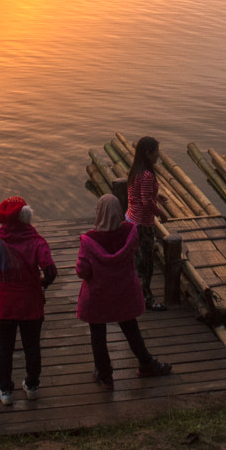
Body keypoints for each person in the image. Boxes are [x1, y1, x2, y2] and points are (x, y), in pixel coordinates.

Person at [76, 194, 172, 387]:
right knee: (130, 328)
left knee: (98, 333)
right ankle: (146, 363)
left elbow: (82, 271)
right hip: (124, 292)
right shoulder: (130, 233)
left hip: (98, 295)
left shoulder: (89, 241)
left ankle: (104, 374)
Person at [0, 196, 56, 404]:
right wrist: (41, 284)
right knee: (32, 346)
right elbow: (50, 271)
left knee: (4, 348)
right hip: (30, 304)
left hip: (3, 304)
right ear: (26, 217)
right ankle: (32, 386)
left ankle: (5, 390)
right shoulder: (36, 241)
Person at [119, 135, 169, 310]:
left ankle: (132, 291)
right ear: (148, 153)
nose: (158, 155)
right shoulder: (147, 174)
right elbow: (146, 202)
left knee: (137, 259)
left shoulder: (136, 170)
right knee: (147, 263)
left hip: (131, 218)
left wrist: (156, 196)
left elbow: (141, 194)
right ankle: (147, 298)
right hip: (142, 223)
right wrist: (161, 214)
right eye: (156, 152)